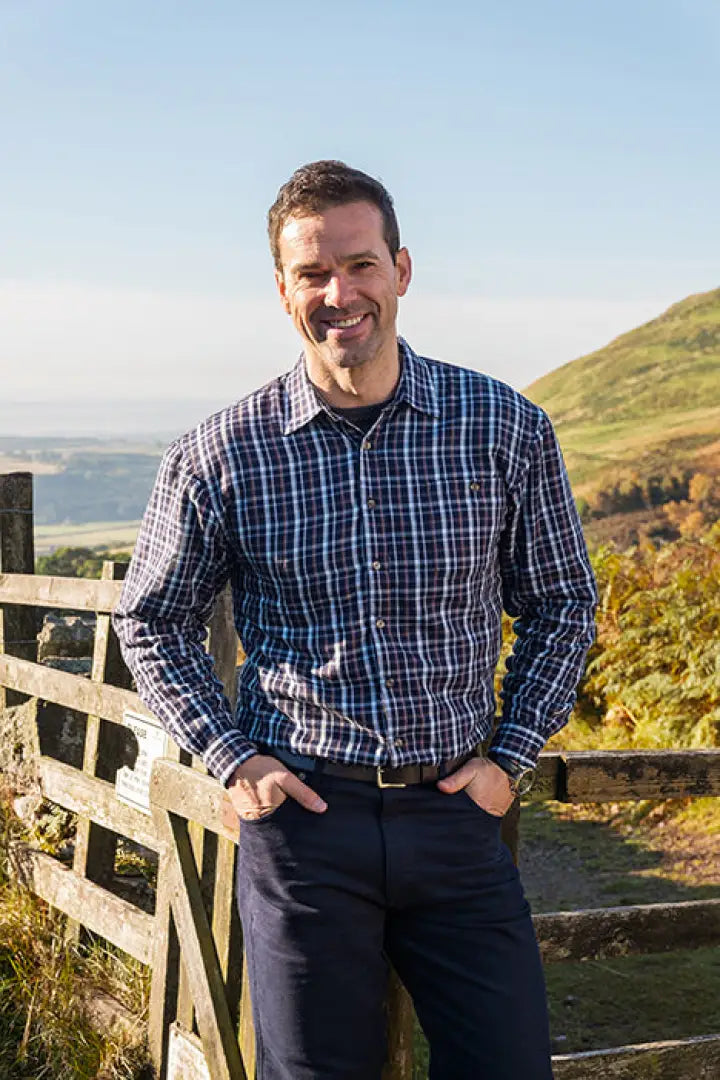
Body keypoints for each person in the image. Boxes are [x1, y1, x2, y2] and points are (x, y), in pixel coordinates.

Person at [114, 160, 597, 1080]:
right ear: (283, 289)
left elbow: (564, 602)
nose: (341, 293)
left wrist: (509, 760)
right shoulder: (220, 453)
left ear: (402, 269)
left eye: (361, 264)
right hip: (303, 829)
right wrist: (233, 757)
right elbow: (151, 620)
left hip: (456, 819)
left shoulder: (503, 428)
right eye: (313, 273)